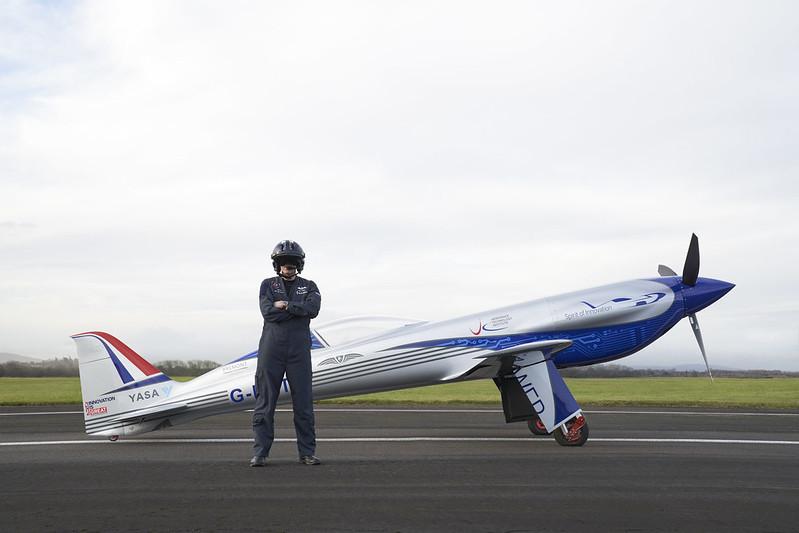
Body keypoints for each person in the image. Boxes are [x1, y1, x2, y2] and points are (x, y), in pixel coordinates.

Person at [250, 240, 322, 466]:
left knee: (303, 403)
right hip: (271, 350)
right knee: (265, 402)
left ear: (299, 265)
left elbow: (313, 309)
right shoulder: (267, 285)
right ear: (277, 265)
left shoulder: (309, 286)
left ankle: (307, 452)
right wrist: (297, 310)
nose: (288, 267)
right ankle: (260, 453)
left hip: (299, 352)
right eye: (283, 263)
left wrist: (286, 305)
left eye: (292, 263)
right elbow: (268, 313)